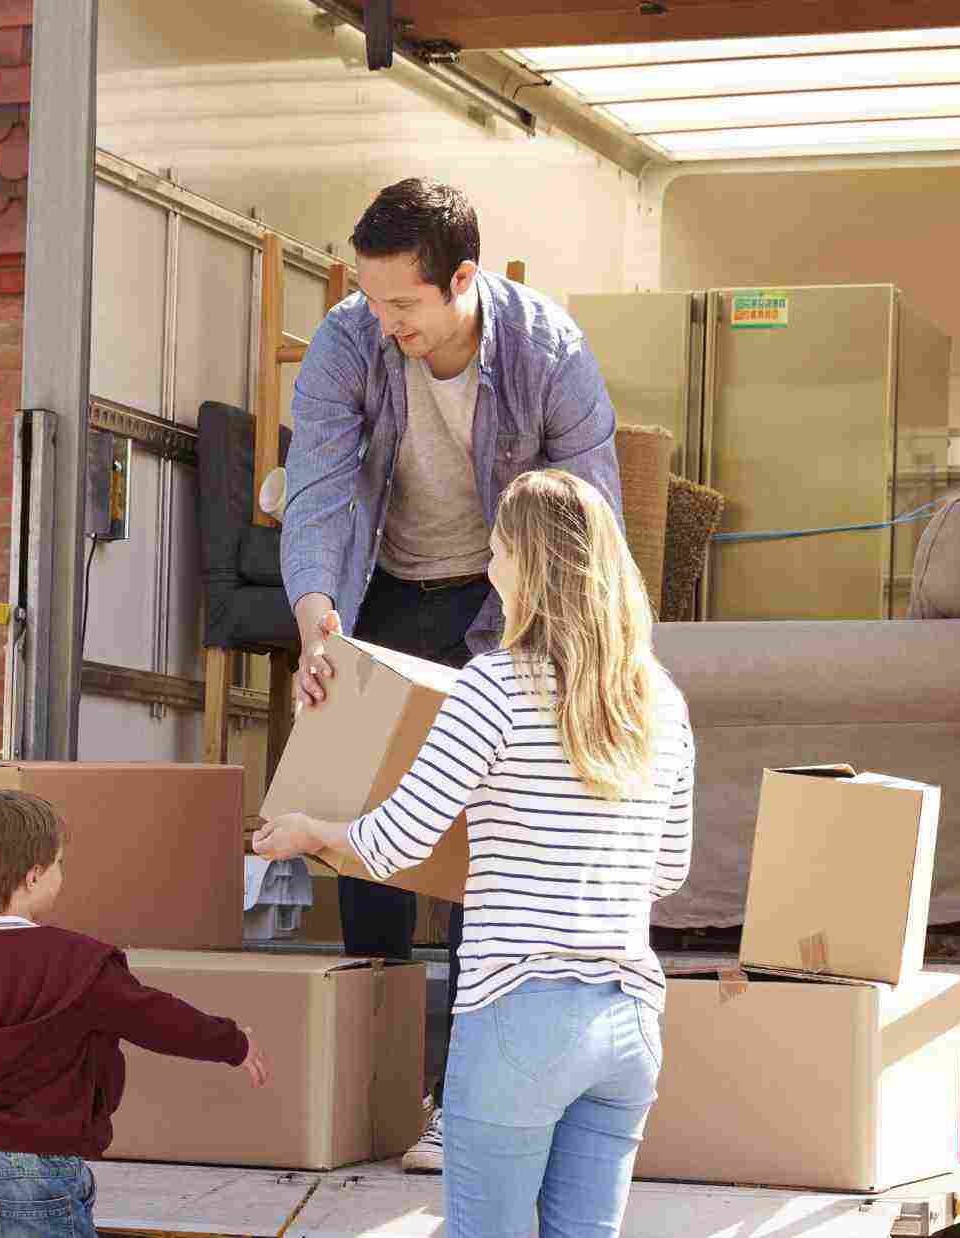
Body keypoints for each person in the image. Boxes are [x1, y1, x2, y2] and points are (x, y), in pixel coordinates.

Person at [281, 177, 625, 1171]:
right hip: (380, 591)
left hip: (502, 603)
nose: (383, 323)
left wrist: (557, 654)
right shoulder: (351, 339)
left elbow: (586, 510)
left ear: (462, 280)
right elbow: (318, 483)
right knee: (365, 833)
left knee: (489, 846)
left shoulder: (545, 350)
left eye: (403, 305)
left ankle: (467, 1105)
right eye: (371, 299)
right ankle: (375, 1091)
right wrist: (316, 616)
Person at [256, 469, 695, 1238]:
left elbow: (396, 842)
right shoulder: (658, 699)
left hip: (518, 1011)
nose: (491, 570)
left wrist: (309, 834)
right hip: (629, 1024)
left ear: (528, 566)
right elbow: (670, 869)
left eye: (497, 552)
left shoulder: (493, 688)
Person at [0, 789, 272, 1238]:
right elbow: (155, 1018)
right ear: (33, 876)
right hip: (34, 1170)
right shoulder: (76, 964)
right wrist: (232, 1043)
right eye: (59, 862)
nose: (62, 872)